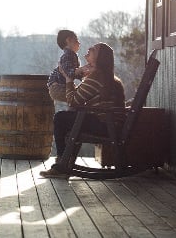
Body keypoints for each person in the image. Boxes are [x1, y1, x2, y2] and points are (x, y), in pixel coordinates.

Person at [40, 42, 125, 178]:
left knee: (60, 118)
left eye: (94, 49)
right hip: (109, 124)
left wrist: (68, 79)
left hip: (105, 125)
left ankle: (62, 165)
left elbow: (73, 100)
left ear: (100, 57)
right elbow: (78, 99)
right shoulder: (107, 77)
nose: (89, 49)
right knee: (70, 116)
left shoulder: (97, 77)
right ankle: (64, 163)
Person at [47, 30, 88, 112]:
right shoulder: (68, 55)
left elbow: (75, 74)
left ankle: (73, 115)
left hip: (59, 86)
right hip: (57, 87)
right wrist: (82, 69)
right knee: (77, 99)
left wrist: (84, 73)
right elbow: (69, 72)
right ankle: (73, 117)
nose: (79, 43)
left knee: (77, 100)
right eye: (76, 40)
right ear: (68, 40)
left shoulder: (71, 55)